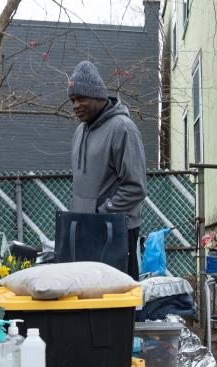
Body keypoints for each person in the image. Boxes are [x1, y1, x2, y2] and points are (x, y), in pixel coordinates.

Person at [67, 60, 147, 278]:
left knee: (117, 299)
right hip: (86, 230)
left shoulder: (123, 129)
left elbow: (135, 187)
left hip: (116, 232)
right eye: (72, 100)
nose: (75, 105)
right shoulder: (80, 132)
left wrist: (101, 213)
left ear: (98, 96)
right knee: (89, 297)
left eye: (81, 98)